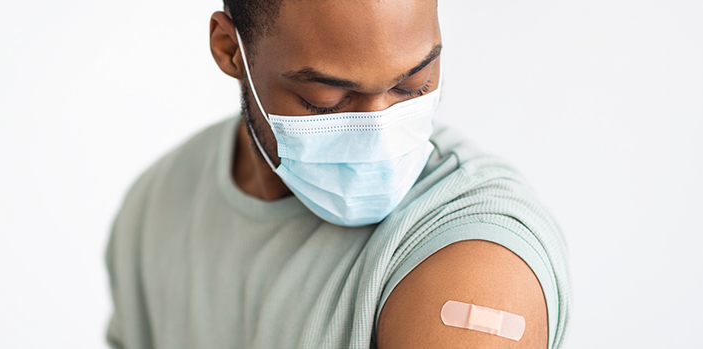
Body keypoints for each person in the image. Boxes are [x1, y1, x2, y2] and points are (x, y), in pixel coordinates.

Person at [104, 0, 570, 348]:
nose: (380, 133)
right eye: (326, 100)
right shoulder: (157, 205)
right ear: (230, 51)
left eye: (414, 85)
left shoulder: (478, 257)